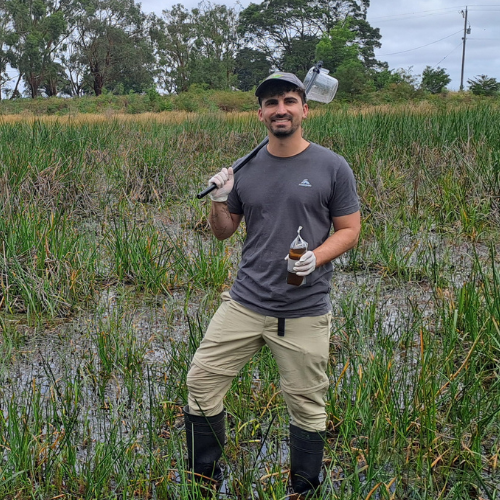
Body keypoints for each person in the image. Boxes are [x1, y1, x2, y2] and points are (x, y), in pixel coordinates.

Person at [183, 71, 361, 498]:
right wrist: (219, 198)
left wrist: (316, 256)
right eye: (271, 103)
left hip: (304, 311)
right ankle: (204, 480)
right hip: (244, 303)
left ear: (305, 109)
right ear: (260, 114)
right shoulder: (246, 168)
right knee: (200, 385)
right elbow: (223, 232)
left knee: (306, 406)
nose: (281, 109)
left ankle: (303, 488)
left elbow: (350, 229)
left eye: (288, 101)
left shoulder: (332, 166)